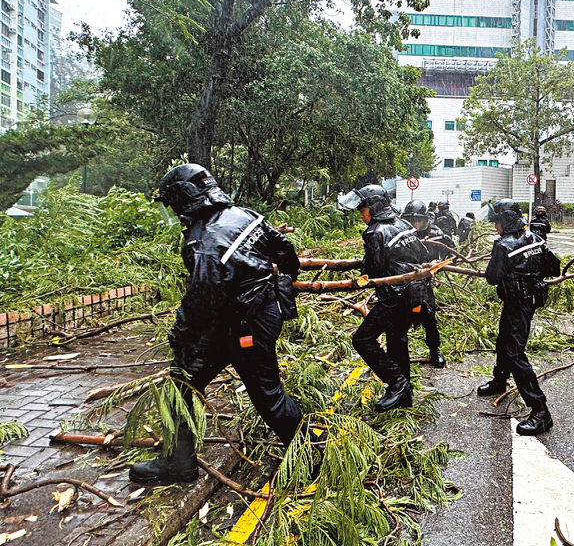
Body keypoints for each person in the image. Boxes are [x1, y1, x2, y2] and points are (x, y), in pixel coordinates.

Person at [130, 164, 303, 485]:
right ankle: (178, 462)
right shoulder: (246, 215)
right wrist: (278, 284)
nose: (174, 212)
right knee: (182, 383)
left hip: (244, 327)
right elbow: (287, 254)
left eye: (173, 204)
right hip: (255, 317)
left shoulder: (202, 242)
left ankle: (311, 454)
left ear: (185, 199)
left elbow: (201, 303)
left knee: (267, 394)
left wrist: (179, 335)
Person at [339, 185, 431, 411]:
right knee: (397, 340)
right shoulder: (404, 224)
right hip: (416, 293)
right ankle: (404, 398)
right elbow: (423, 255)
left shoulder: (375, 232)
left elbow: (374, 269)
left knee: (362, 340)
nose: (361, 213)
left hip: (394, 298)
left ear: (376, 206)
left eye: (363, 208)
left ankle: (397, 383)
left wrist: (361, 270)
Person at [477, 199, 561, 436]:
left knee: (515, 353)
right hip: (527, 301)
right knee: (504, 339)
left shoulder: (503, 245)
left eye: (497, 222)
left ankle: (540, 411)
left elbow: (492, 277)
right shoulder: (536, 239)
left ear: (506, 221)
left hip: (518, 303)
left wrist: (515, 273)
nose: (496, 227)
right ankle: (499, 381)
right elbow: (553, 267)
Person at [401, 200, 448, 368]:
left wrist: (437, 264)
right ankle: (400, 356)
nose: (416, 224)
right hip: (405, 282)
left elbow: (451, 252)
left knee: (429, 318)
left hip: (425, 283)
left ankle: (435, 350)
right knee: (402, 321)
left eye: (419, 221)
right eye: (412, 221)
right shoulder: (402, 233)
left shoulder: (436, 233)